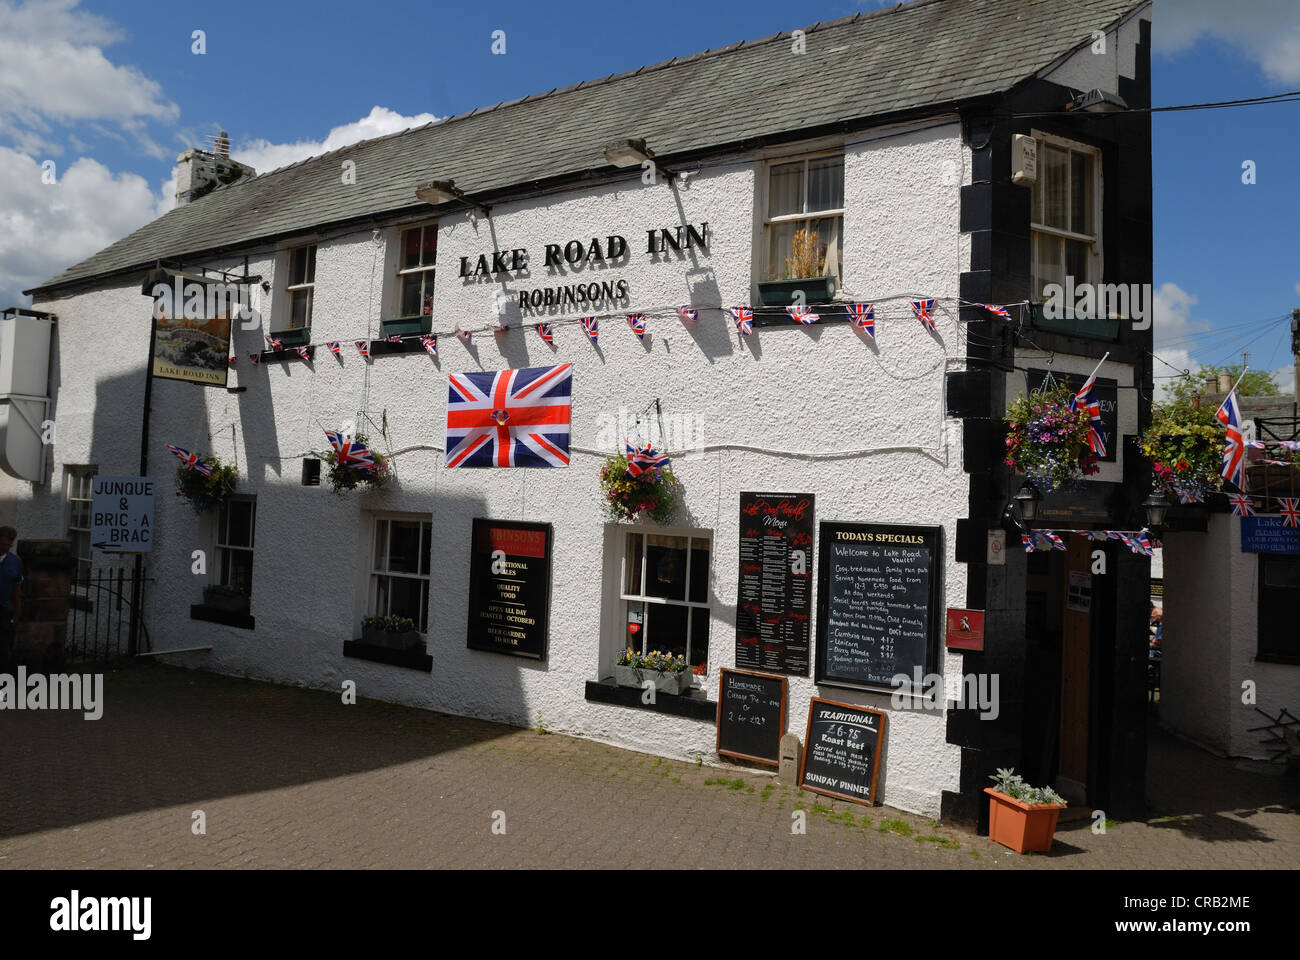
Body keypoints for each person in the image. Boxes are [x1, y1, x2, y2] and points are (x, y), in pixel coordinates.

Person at [0, 525, 23, 671]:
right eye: (2, 544)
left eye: (9, 545)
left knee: (3, 649)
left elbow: (16, 589)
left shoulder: (15, 561)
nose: (6, 548)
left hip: (4, 611)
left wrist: (16, 613)